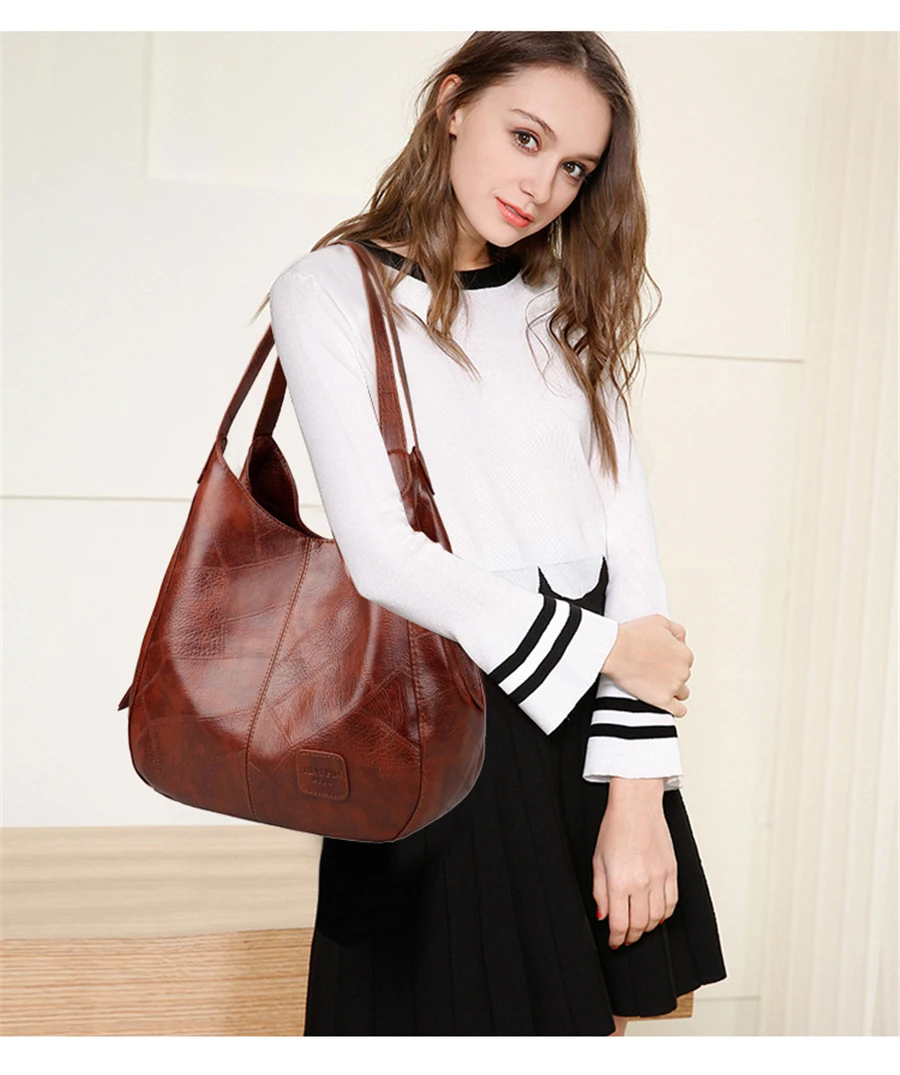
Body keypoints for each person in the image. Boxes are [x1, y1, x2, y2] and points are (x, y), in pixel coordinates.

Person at [263, 30, 727, 1036]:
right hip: (447, 728)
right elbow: (383, 554)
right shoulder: (331, 290)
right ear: (453, 104)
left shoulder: (564, 304)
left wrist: (638, 789)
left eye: (574, 168)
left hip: (592, 728)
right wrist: (610, 651)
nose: (542, 187)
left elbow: (629, 554)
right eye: (526, 138)